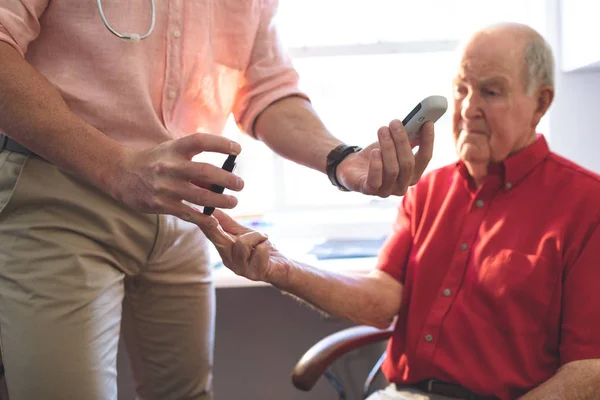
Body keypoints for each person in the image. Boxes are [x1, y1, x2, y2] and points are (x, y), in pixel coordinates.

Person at [0, 1, 434, 400]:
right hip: (63, 187)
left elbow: (266, 89)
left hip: (183, 208)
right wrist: (118, 167)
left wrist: (341, 161)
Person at [201, 23, 600, 400]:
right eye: (461, 89)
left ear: (541, 103)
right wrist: (278, 267)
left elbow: (589, 369)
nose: (467, 109)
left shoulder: (586, 203)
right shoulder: (428, 188)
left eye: (491, 92)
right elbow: (380, 299)